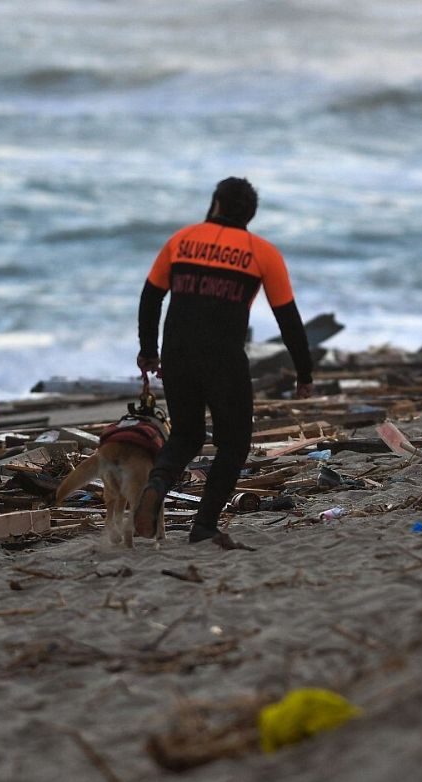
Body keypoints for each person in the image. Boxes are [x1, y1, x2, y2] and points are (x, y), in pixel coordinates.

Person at [133, 177, 314, 547]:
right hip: (224, 359)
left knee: (186, 434)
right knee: (233, 444)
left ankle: (157, 484)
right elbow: (288, 319)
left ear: (216, 204)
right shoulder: (262, 253)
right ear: (250, 213)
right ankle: (204, 527)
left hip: (177, 353)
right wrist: (304, 372)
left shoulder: (180, 241)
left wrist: (149, 351)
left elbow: (151, 298)